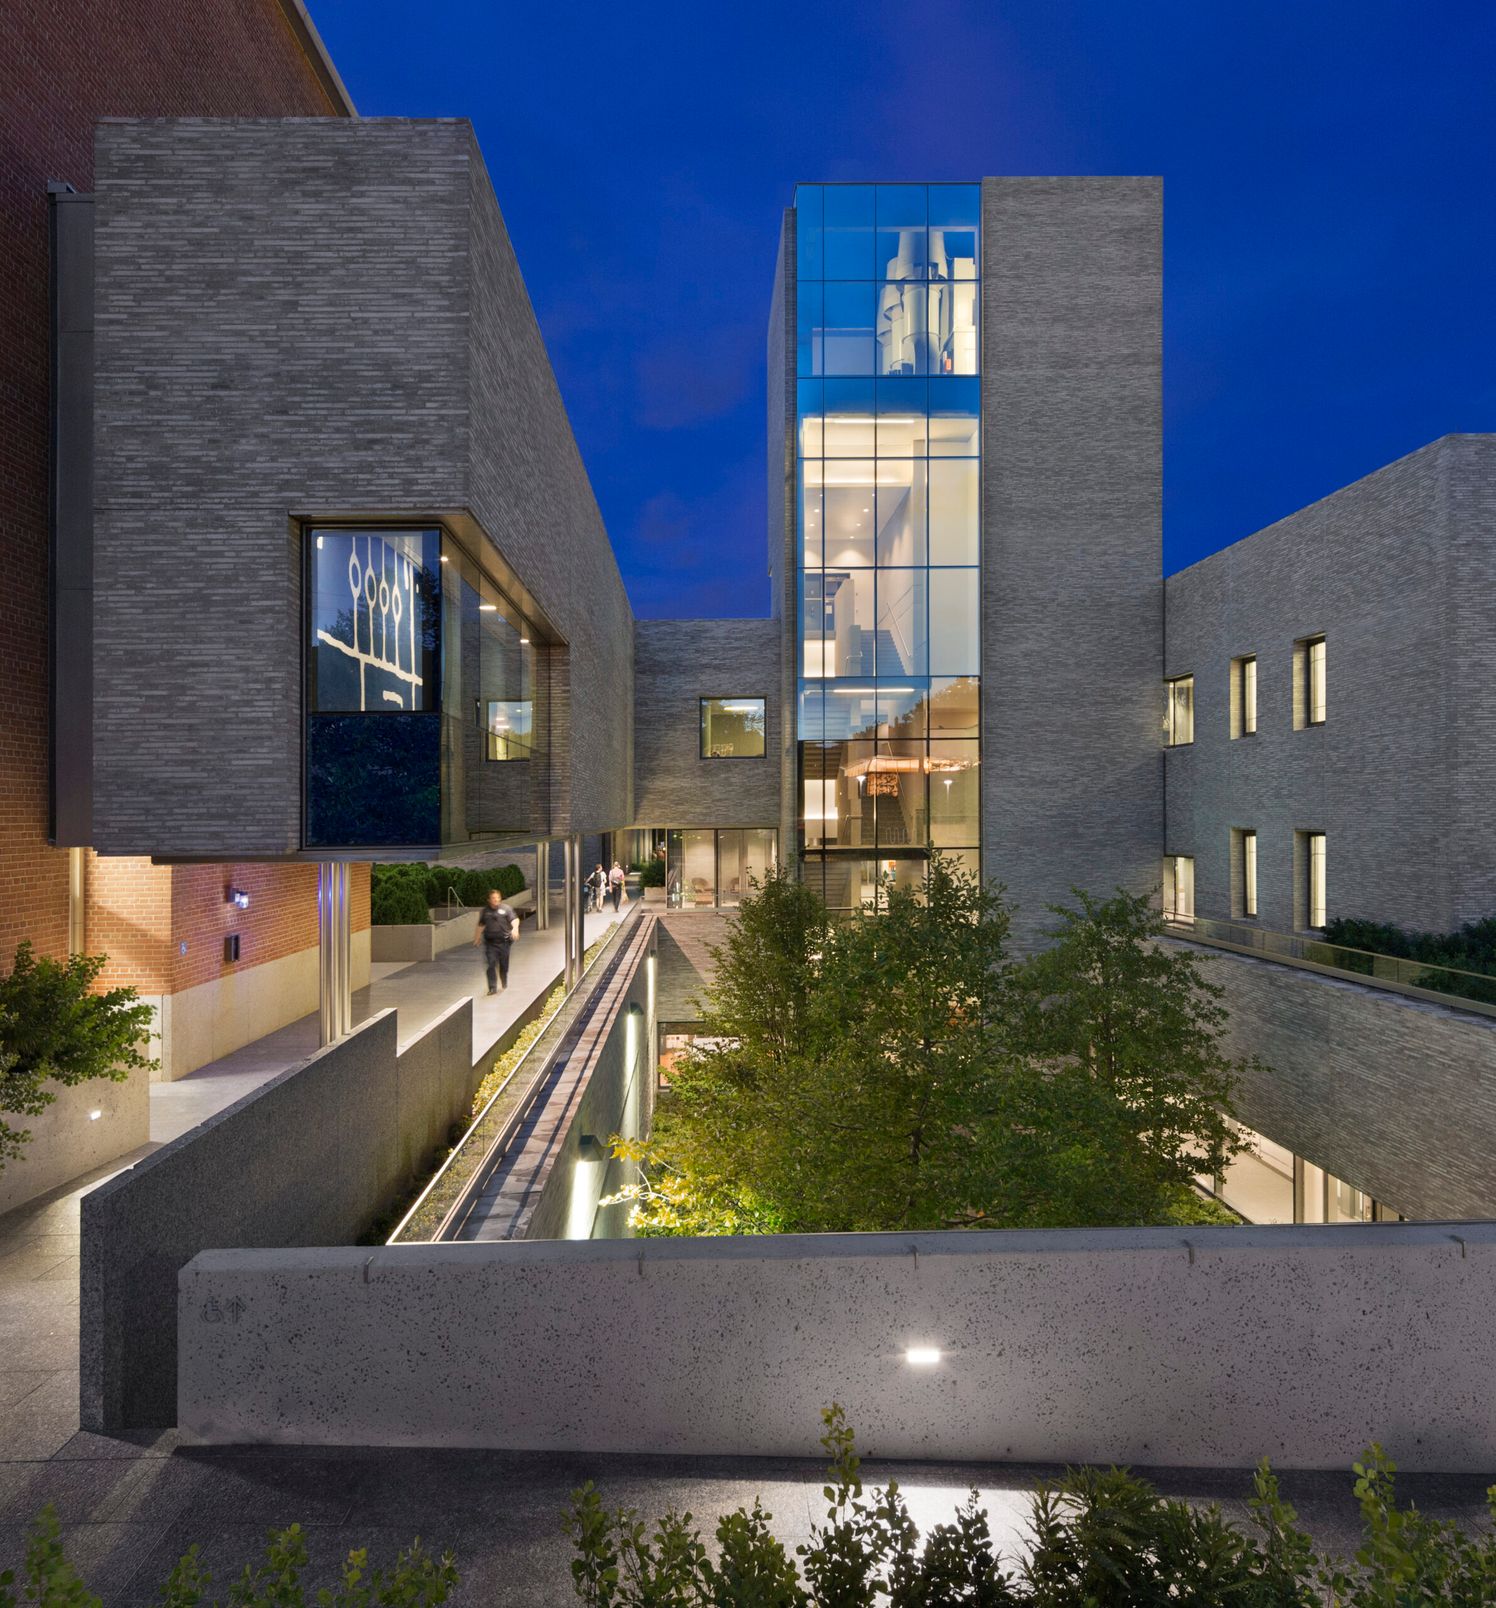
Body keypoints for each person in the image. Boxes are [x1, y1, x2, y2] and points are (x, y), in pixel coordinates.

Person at [472, 887, 519, 995]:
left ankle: (504, 979)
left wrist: (515, 929)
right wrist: (477, 937)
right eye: (493, 898)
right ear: (489, 900)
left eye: (498, 898)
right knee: (491, 964)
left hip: (504, 942)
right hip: (490, 943)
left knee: (504, 964)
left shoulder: (506, 909)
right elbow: (481, 925)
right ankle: (492, 987)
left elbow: (514, 919)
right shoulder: (485, 911)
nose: (496, 900)